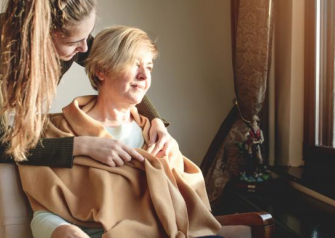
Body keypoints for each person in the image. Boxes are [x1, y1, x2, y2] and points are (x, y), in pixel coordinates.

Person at [18, 25, 222, 238]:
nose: (144, 76)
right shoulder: (58, 131)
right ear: (102, 71)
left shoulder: (155, 136)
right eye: (133, 64)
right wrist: (60, 230)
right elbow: (44, 212)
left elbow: (190, 211)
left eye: (149, 67)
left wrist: (157, 121)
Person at [0, 0, 172, 167]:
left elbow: (113, 68)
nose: (84, 49)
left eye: (87, 35)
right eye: (73, 42)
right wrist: (82, 146)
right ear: (40, 36)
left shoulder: (75, 36)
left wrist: (154, 118)